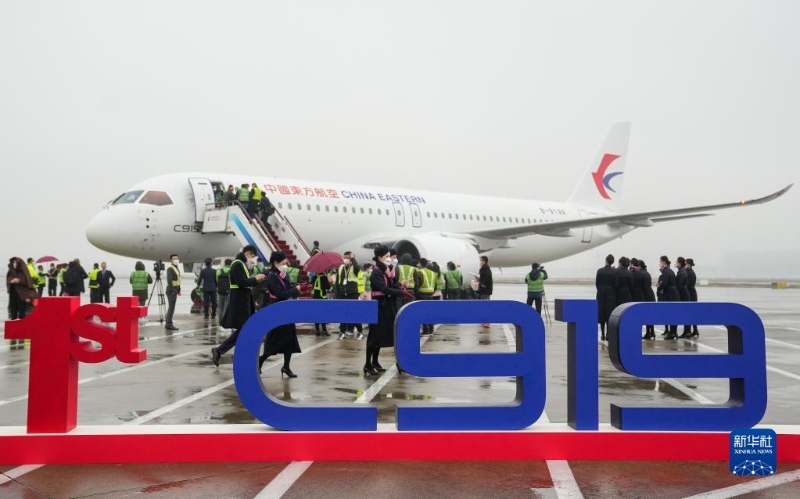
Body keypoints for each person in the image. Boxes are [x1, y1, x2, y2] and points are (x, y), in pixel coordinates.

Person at [212, 246, 266, 366]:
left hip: (244, 298)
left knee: (246, 328)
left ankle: (221, 350)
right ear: (247, 254)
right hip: (239, 299)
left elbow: (244, 282)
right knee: (244, 328)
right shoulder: (237, 264)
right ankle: (220, 350)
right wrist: (255, 279)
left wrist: (256, 280)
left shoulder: (242, 264)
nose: (252, 259)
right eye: (252, 256)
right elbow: (241, 283)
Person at [258, 251, 303, 377]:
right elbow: (279, 294)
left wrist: (295, 288)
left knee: (289, 338)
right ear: (276, 263)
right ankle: (260, 361)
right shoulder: (272, 276)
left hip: (287, 309)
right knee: (275, 340)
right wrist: (295, 290)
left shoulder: (283, 274)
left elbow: (287, 290)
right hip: (277, 309)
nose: (285, 265)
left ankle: (286, 367)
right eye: (283, 263)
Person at [364, 246, 405, 375]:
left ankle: (375, 362)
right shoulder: (376, 272)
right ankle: (367, 364)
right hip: (378, 306)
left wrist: (400, 287)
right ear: (380, 257)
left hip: (387, 305)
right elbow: (384, 289)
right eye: (387, 256)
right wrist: (399, 292)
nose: (389, 258)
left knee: (380, 336)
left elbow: (392, 285)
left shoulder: (387, 270)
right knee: (374, 335)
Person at [335, 251, 362, 339]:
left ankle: (360, 331)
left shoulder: (355, 267)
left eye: (348, 258)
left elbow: (357, 267)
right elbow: (337, 282)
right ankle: (342, 331)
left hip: (352, 293)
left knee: (354, 313)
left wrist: (353, 258)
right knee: (342, 314)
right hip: (342, 294)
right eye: (345, 257)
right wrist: (337, 294)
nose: (346, 259)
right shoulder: (341, 268)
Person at [7, 257, 37, 323]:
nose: (15, 264)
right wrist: (11, 281)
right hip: (13, 294)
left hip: (22, 294)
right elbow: (8, 280)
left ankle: (22, 325)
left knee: (22, 312)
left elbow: (28, 282)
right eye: (13, 262)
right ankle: (13, 325)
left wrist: (20, 281)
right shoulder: (11, 272)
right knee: (13, 311)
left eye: (16, 262)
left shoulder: (23, 271)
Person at [657, 255, 680, 339]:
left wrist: (659, 286)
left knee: (671, 314)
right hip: (673, 294)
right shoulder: (669, 271)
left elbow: (664, 284)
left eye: (660, 262)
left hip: (671, 295)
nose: (659, 263)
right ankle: (673, 332)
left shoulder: (666, 272)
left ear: (663, 262)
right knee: (673, 314)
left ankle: (673, 333)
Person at [595, 254, 618, 341]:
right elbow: (616, 284)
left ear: (606, 260)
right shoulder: (615, 272)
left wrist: (601, 290)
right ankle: (608, 333)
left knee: (601, 313)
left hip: (601, 292)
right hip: (610, 293)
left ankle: (602, 333)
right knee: (609, 313)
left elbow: (597, 283)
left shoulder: (600, 271)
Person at [638, 260, 657, 339]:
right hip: (650, 294)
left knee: (645, 314)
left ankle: (648, 332)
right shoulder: (647, 273)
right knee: (650, 314)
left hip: (645, 294)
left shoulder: (641, 274)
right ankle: (652, 331)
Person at [130, 261, 153, 325]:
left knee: (136, 306)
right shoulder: (146, 273)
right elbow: (150, 281)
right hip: (143, 291)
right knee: (142, 305)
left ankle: (136, 317)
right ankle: (142, 318)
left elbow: (131, 281)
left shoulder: (133, 274)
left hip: (135, 291)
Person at [311, 270, 332, 336]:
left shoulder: (314, 277)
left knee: (316, 314)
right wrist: (329, 281)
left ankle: (317, 330)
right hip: (322, 298)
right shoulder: (324, 278)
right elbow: (328, 287)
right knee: (323, 314)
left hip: (315, 298)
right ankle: (324, 330)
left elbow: (311, 284)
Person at [165, 254, 181, 331]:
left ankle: (168, 323)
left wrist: (179, 289)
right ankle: (169, 324)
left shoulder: (176, 268)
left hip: (175, 289)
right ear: (171, 260)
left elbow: (177, 280)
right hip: (171, 290)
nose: (176, 260)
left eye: (177, 258)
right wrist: (173, 290)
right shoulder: (170, 269)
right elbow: (169, 280)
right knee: (171, 308)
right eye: (174, 258)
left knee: (172, 307)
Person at [684, 258, 699, 338]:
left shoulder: (691, 273)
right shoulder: (688, 272)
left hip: (691, 294)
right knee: (691, 313)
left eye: (685, 264)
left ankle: (690, 331)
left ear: (689, 265)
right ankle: (694, 330)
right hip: (690, 293)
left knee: (691, 313)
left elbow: (688, 284)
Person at [216, 258, 232, 328]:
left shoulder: (218, 271)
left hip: (220, 291)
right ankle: (224, 322)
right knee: (226, 307)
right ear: (231, 264)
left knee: (220, 307)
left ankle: (220, 321)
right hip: (228, 291)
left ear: (225, 263)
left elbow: (217, 281)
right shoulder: (231, 271)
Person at [478, 256, 493, 327]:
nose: (480, 262)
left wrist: (483, 284)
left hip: (485, 290)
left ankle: (486, 321)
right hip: (485, 290)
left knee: (485, 306)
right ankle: (485, 321)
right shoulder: (485, 268)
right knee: (484, 305)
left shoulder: (485, 268)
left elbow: (487, 277)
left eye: (481, 260)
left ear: (484, 261)